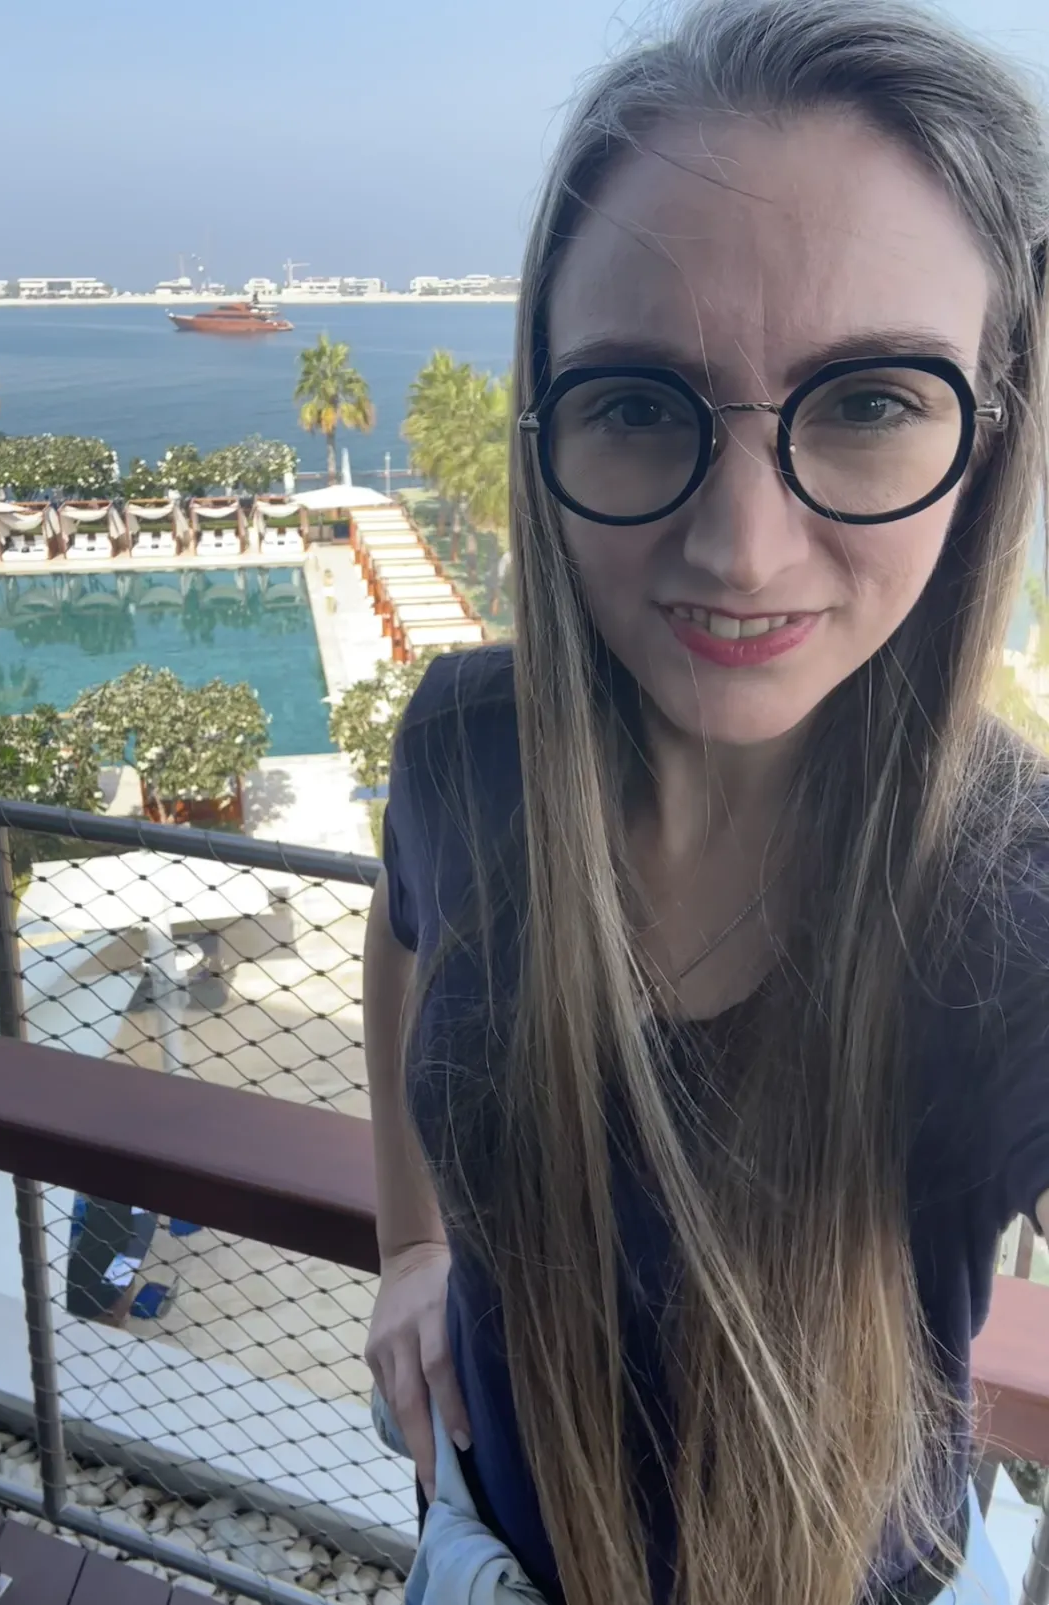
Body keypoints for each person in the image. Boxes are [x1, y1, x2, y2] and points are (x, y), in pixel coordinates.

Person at [363, 2, 1049, 1602]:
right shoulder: (469, 743)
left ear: (990, 427)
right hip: (486, 1548)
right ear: (545, 428)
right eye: (637, 403)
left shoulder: (1012, 900)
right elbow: (402, 937)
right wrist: (411, 1245)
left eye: (871, 401)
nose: (741, 550)